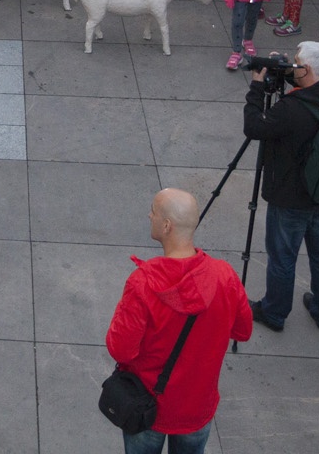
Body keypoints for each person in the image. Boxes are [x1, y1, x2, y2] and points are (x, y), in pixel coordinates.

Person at [105, 189, 252, 454]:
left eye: (153, 211)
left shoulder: (143, 284)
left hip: (147, 407)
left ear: (166, 226)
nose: (149, 215)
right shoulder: (225, 277)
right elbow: (243, 330)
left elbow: (121, 349)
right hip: (198, 408)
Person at [244, 40, 319, 331]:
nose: (292, 65)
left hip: (291, 197)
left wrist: (256, 87)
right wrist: (285, 71)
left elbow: (254, 126)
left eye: (295, 62)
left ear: (305, 70)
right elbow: (311, 88)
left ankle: (275, 312)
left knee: (282, 257)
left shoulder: (292, 108)